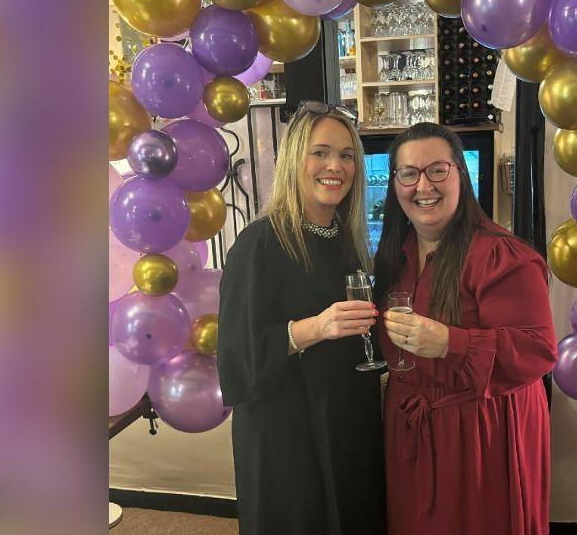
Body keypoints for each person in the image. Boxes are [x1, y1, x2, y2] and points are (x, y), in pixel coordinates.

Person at [373, 123, 558, 535]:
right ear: (395, 184)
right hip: (412, 428)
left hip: (481, 435)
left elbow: (538, 350)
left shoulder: (501, 255)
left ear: (461, 174)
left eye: (437, 170)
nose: (423, 186)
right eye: (408, 173)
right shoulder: (393, 256)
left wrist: (450, 344)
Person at [217, 102, 386, 535]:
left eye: (347, 155)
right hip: (285, 436)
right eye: (321, 152)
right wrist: (316, 327)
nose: (336, 166)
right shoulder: (259, 244)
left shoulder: (349, 243)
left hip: (348, 423)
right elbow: (237, 365)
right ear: (296, 159)